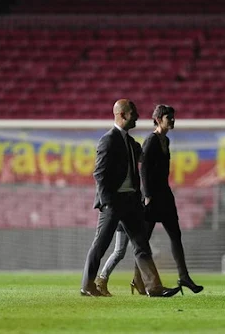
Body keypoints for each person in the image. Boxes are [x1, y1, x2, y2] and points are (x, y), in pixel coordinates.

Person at [94, 104, 203, 296]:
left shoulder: (165, 141)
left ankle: (182, 276)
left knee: (169, 238)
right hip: (149, 198)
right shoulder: (150, 141)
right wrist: (147, 195)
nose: (173, 120)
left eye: (173, 117)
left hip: (163, 196)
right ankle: (117, 280)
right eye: (169, 117)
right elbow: (143, 169)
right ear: (159, 119)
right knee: (134, 245)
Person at [81, 99, 181, 298]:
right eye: (133, 112)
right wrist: (107, 201)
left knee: (141, 244)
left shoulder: (131, 143)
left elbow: (146, 161)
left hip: (131, 202)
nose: (137, 116)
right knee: (101, 245)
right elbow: (99, 174)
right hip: (113, 202)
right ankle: (87, 284)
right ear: (122, 115)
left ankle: (153, 287)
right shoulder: (108, 140)